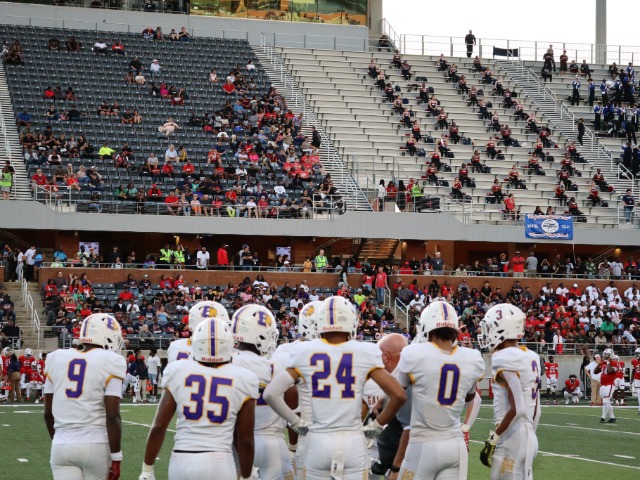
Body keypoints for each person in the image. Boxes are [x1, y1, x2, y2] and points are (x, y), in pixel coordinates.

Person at [264, 296, 406, 480]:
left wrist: (295, 422)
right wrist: (377, 426)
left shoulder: (304, 351)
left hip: (317, 440)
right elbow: (398, 395)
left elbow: (270, 394)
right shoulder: (364, 351)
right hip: (352, 442)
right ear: (351, 321)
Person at [138, 317, 259, 480]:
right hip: (220, 461)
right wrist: (247, 475)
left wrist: (147, 470)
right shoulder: (244, 377)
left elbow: (159, 426)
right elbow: (245, 439)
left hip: (182, 459)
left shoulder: (179, 370)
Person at [396, 301, 484, 480]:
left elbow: (396, 393)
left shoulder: (413, 353)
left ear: (426, 326)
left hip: (423, 442)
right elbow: (470, 398)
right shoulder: (472, 358)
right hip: (455, 444)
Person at [44, 313, 126, 480]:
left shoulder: (55, 358)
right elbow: (112, 416)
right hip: (95, 443)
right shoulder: (112, 360)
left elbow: (47, 414)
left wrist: (61, 439)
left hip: (61, 443)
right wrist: (116, 457)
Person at [231, 304, 293, 480]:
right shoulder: (281, 360)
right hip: (273, 444)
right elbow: (293, 399)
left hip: (235, 445)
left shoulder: (228, 363)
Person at [478, 304, 540, 479]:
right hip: (529, 435)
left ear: (502, 329)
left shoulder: (504, 357)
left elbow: (518, 408)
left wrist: (493, 439)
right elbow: (536, 410)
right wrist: (529, 435)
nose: (486, 333)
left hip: (512, 436)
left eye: (490, 328)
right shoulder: (531, 356)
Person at [593, 348, 618, 423]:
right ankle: (612, 417)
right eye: (605, 354)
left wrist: (608, 362)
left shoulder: (614, 363)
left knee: (605, 401)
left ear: (611, 355)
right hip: (603, 385)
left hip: (609, 384)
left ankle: (603, 418)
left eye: (607, 355)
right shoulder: (603, 362)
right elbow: (595, 371)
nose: (605, 356)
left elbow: (610, 371)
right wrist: (600, 363)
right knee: (607, 402)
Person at [632, 348, 640, 414]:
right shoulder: (634, 361)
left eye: (638, 354)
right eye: (636, 354)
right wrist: (632, 380)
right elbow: (633, 371)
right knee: (639, 394)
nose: (637, 355)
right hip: (637, 379)